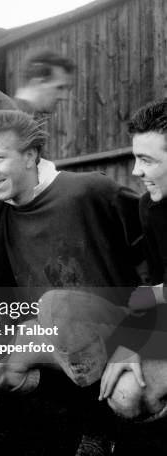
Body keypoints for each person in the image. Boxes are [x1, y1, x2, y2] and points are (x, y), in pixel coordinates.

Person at [0, 110, 143, 456]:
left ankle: (105, 433)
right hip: (63, 336)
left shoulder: (90, 190)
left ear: (30, 156)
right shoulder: (1, 218)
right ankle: (82, 414)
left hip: (128, 329)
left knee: (57, 306)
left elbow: (153, 255)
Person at [100, 99, 167, 423]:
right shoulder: (151, 207)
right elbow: (152, 292)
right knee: (126, 392)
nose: (136, 171)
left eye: (146, 160)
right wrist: (131, 342)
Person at [13, 50, 75, 116]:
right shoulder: (12, 121)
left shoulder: (26, 116)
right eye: (59, 87)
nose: (64, 96)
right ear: (36, 82)